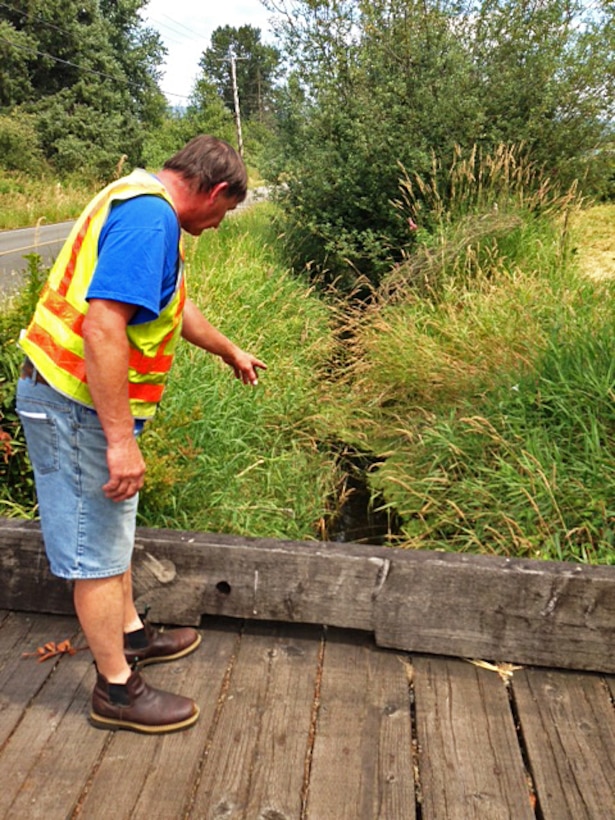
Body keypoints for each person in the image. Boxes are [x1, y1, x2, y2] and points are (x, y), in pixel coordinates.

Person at [16, 135, 266, 734]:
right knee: (95, 551)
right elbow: (104, 328)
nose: (222, 222)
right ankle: (117, 690)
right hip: (75, 405)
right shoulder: (150, 220)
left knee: (113, 529)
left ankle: (131, 636)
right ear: (216, 190)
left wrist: (228, 349)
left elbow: (173, 307)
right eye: (226, 211)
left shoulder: (142, 202)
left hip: (78, 404)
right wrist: (121, 439)